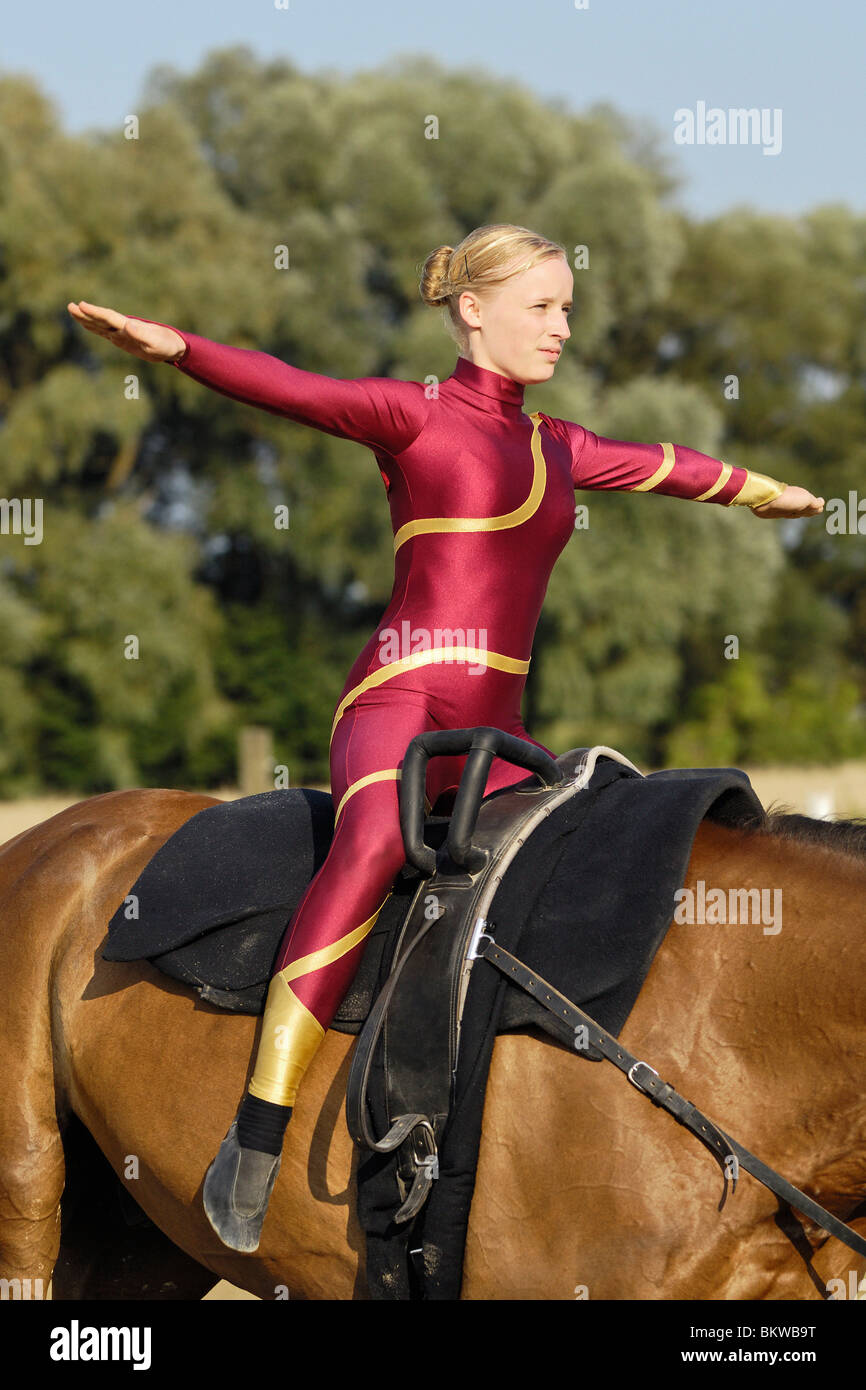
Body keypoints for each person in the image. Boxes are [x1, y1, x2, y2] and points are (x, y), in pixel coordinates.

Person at [67, 223, 823, 1251]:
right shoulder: (411, 416)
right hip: (397, 706)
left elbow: (662, 464)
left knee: (585, 855)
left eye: (566, 307)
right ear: (472, 311)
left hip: (499, 730)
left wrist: (763, 493)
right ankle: (254, 1134)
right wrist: (175, 348)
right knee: (375, 844)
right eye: (541, 307)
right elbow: (286, 385)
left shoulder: (555, 445)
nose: (562, 326)